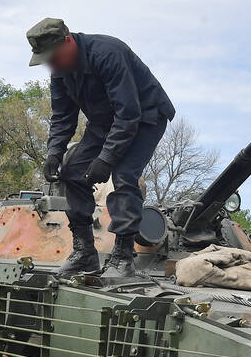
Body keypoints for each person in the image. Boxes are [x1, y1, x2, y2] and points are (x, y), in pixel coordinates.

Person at [27, 17, 175, 279]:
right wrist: (53, 153)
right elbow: (62, 117)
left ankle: (123, 257)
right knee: (72, 170)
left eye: (53, 57)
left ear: (68, 41)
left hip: (145, 117)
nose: (51, 64)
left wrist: (106, 158)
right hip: (105, 122)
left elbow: (128, 114)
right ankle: (85, 254)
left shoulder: (107, 53)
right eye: (46, 60)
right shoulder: (60, 72)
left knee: (124, 174)